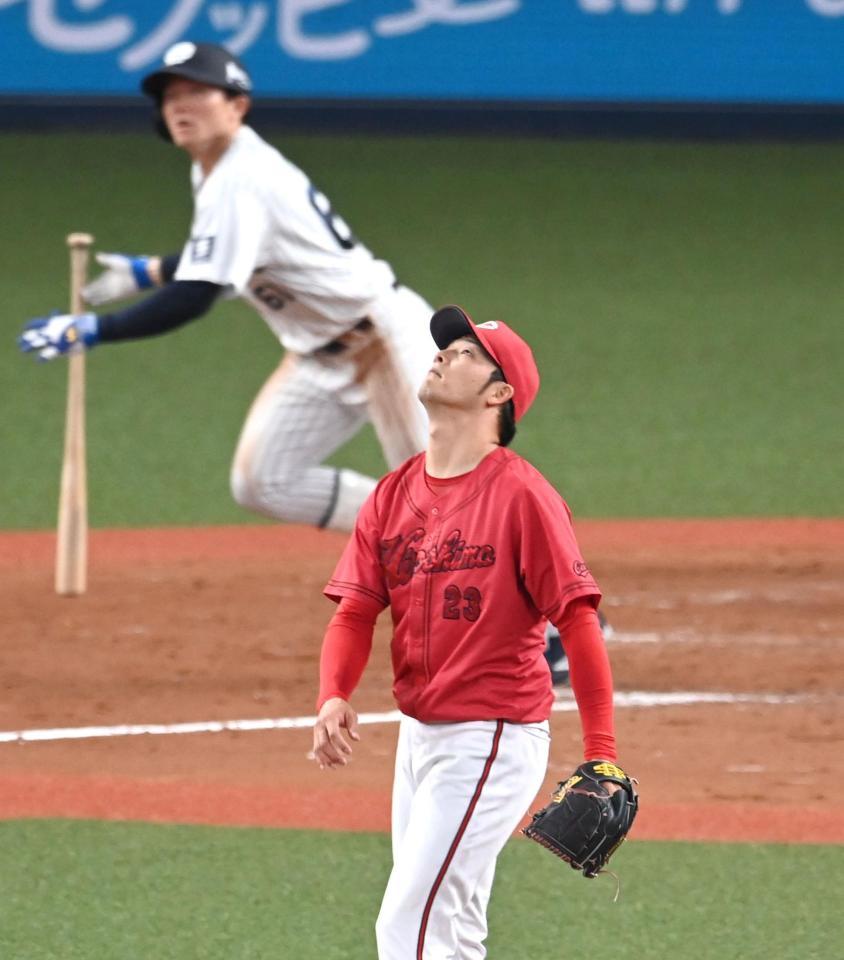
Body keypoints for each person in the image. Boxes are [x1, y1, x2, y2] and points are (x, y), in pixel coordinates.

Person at [312, 305, 625, 960]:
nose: (444, 355)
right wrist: (333, 694)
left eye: (466, 353)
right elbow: (354, 611)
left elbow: (577, 618)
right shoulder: (393, 494)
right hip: (420, 740)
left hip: (491, 738)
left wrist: (601, 751)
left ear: (499, 393)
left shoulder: (521, 496)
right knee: (448, 927)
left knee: (408, 924)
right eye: (445, 347)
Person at [18, 42, 434, 532]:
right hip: (315, 355)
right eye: (171, 96)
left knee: (451, 499)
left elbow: (198, 293)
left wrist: (96, 328)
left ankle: (534, 599)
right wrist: (150, 271)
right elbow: (222, 256)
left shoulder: (242, 177)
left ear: (238, 104)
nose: (180, 105)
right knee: (264, 481)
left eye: (198, 91)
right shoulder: (214, 168)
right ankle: (403, 533)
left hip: (384, 344)